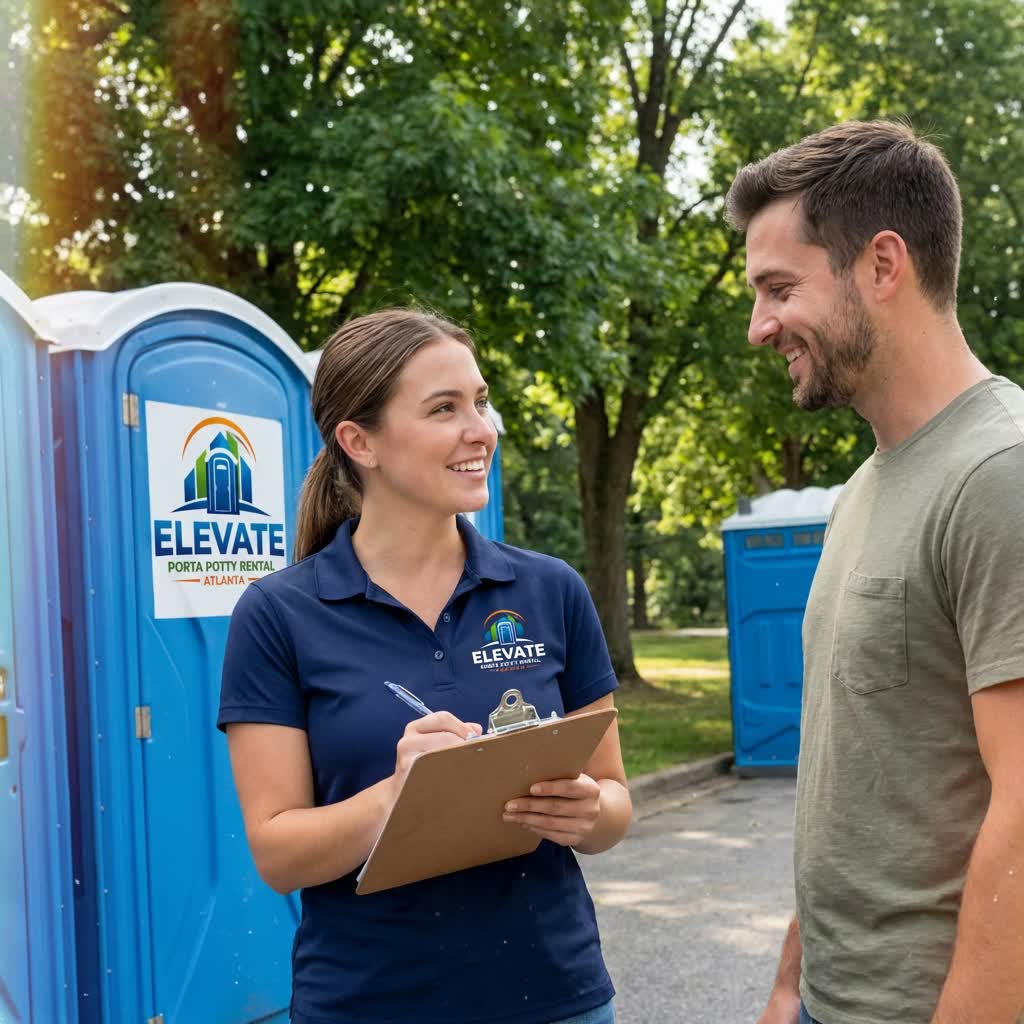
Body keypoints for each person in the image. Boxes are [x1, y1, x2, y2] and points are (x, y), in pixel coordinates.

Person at [218, 308, 631, 1024]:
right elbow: (278, 853)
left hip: (557, 997)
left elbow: (615, 801)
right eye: (444, 409)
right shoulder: (278, 615)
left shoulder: (549, 589)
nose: (482, 430)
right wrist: (399, 795)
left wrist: (589, 813)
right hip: (369, 1002)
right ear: (359, 441)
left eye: (480, 400)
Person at [726, 120, 1024, 1024]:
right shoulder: (865, 486)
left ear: (883, 265)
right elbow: (859, 780)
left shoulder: (999, 473)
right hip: (831, 1001)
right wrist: (792, 979)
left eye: (780, 288)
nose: (758, 327)